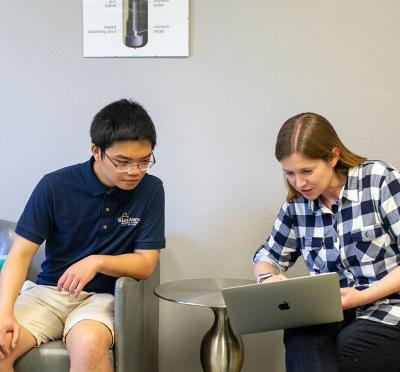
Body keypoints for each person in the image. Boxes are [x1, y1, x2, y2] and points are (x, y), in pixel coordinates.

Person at [0, 99, 165, 372]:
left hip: (101, 298)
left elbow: (146, 264)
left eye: (144, 161)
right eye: (123, 162)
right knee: (3, 343)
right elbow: (20, 254)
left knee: (88, 344)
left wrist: (97, 261)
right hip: (48, 293)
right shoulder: (54, 185)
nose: (134, 171)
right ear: (96, 151)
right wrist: (4, 312)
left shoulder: (151, 190)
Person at [253, 112, 400, 372]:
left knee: (342, 352)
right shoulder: (296, 207)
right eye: (289, 173)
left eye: (307, 171)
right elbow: (267, 256)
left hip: (389, 309)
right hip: (330, 312)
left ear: (333, 156)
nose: (299, 183)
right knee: (300, 338)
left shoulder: (378, 181)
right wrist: (267, 279)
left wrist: (361, 296)